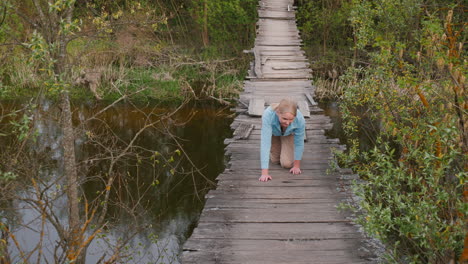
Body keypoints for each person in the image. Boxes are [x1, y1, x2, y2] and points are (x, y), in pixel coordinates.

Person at [259, 98, 305, 182]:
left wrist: (296, 166)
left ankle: (285, 145)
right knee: (275, 160)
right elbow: (265, 144)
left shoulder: (300, 118)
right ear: (277, 113)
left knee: (286, 164)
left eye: (291, 119)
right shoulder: (268, 114)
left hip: (288, 134)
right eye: (284, 119)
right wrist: (264, 173)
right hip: (274, 133)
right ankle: (279, 144)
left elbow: (299, 143)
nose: (287, 123)